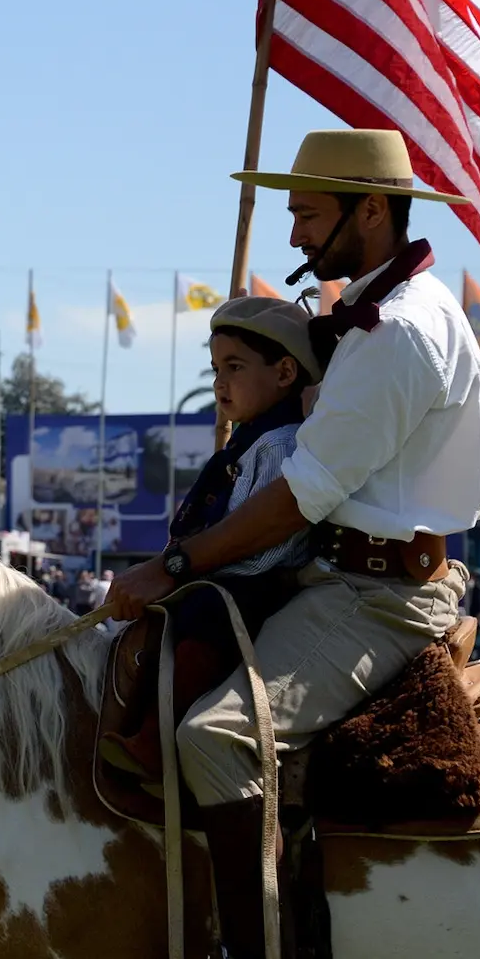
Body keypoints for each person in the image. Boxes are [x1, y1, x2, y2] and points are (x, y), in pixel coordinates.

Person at [105, 128, 480, 959]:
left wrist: (172, 563)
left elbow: (301, 497)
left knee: (215, 736)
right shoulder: (372, 313)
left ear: (371, 211)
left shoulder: (401, 330)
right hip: (336, 575)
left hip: (376, 597)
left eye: (307, 212)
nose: (293, 233)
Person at [106, 296, 324, 781]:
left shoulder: (280, 443)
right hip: (224, 572)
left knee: (201, 617)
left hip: (251, 581)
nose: (219, 382)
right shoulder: (248, 438)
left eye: (235, 366)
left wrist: (198, 568)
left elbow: (260, 535)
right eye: (214, 368)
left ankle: (157, 741)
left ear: (285, 372)